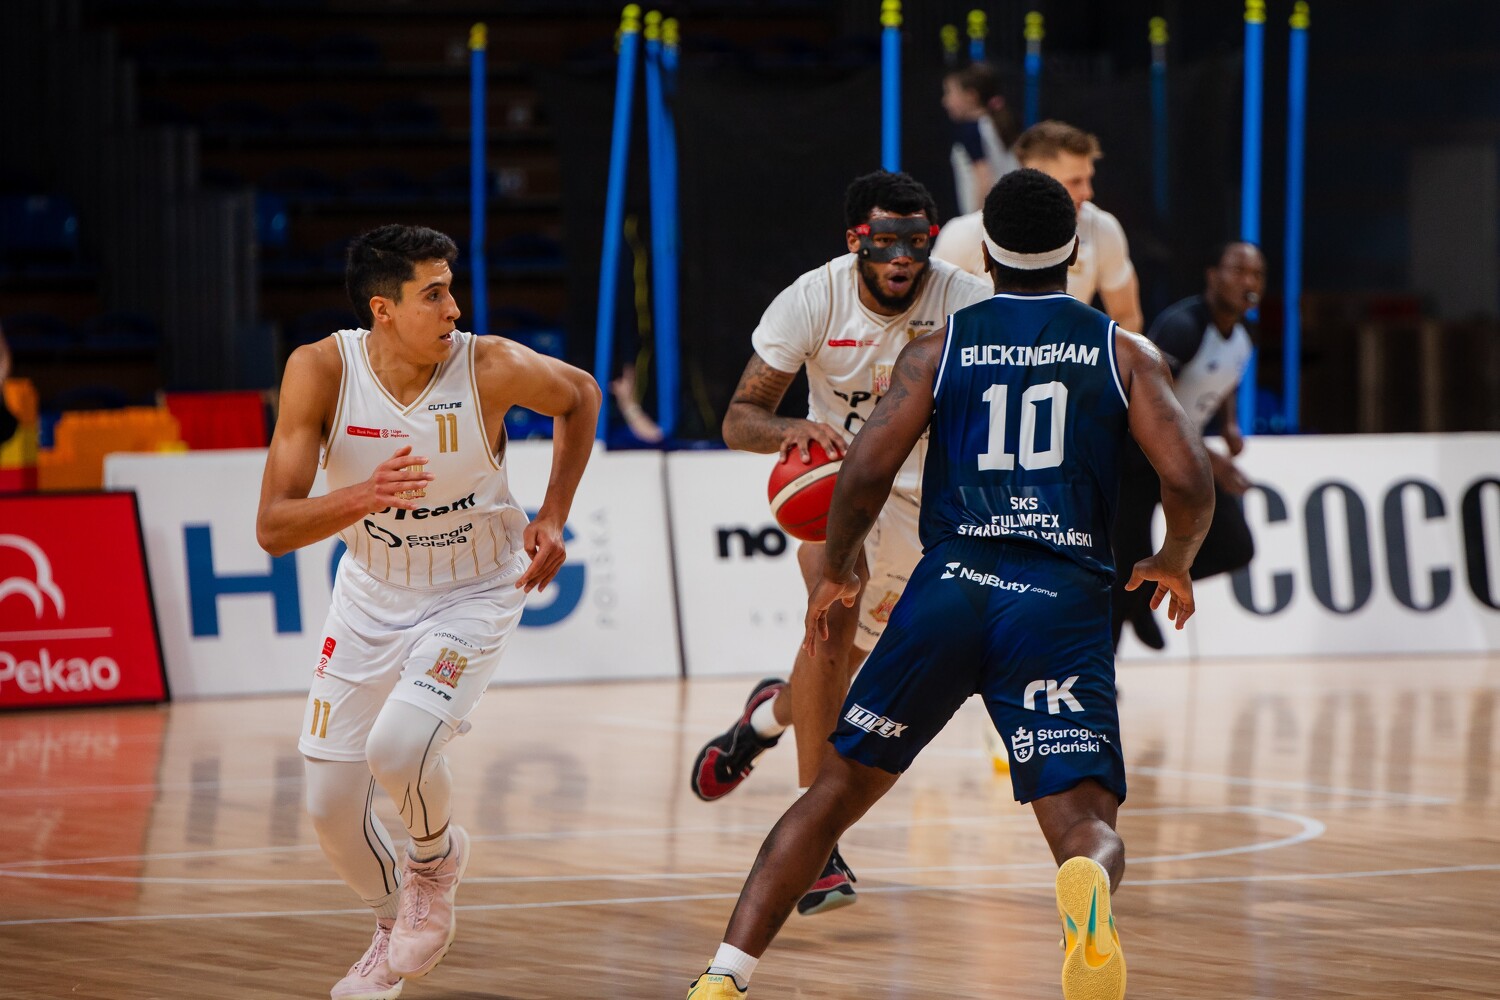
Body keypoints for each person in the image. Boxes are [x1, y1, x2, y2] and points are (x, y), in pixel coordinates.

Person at [686, 168, 1214, 1000]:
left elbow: (864, 471)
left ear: (983, 255)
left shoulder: (943, 343)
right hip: (1058, 597)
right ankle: (1083, 876)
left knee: (835, 790)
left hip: (951, 582)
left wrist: (839, 563)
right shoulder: (1124, 351)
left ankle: (725, 975)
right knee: (1083, 821)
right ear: (1075, 253)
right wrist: (1174, 558)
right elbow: (1187, 478)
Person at [255, 224, 600, 1000]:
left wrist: (553, 513)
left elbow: (581, 395)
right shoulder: (320, 371)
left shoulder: (488, 364)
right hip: (370, 593)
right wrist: (364, 495)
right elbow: (273, 528)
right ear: (382, 308)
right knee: (327, 808)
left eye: (451, 290)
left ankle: (433, 864)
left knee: (400, 745)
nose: (454, 309)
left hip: (473, 588)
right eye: (433, 294)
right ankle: (391, 926)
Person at [691, 171, 991, 915]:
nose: (902, 255)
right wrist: (791, 428)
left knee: (850, 665)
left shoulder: (964, 299)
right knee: (832, 609)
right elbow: (739, 419)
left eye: (916, 240)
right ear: (856, 240)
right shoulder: (812, 298)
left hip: (940, 502)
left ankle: (764, 719)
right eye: (885, 241)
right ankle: (816, 841)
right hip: (852, 492)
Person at [1112, 240, 1264, 649]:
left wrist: (1229, 424)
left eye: (1257, 274)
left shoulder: (1244, 336)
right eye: (1239, 271)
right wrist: (1215, 459)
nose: (1249, 281)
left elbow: (1224, 374)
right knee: (1122, 567)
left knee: (1235, 546)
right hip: (1137, 457)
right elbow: (1148, 403)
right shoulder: (1183, 327)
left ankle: (1146, 592)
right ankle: (1101, 675)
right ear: (1213, 277)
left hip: (1182, 456)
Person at [934, 119, 1144, 334]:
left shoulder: (1101, 228)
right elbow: (934, 316)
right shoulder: (964, 234)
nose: (1088, 192)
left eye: (1088, 179)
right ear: (1036, 176)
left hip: (1065, 354)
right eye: (1075, 181)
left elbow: (1126, 316)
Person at [941, 61, 1020, 216]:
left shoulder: (972, 131)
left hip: (988, 216)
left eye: (950, 93)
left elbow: (984, 178)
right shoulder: (995, 124)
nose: (945, 101)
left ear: (971, 96)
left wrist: (977, 221)